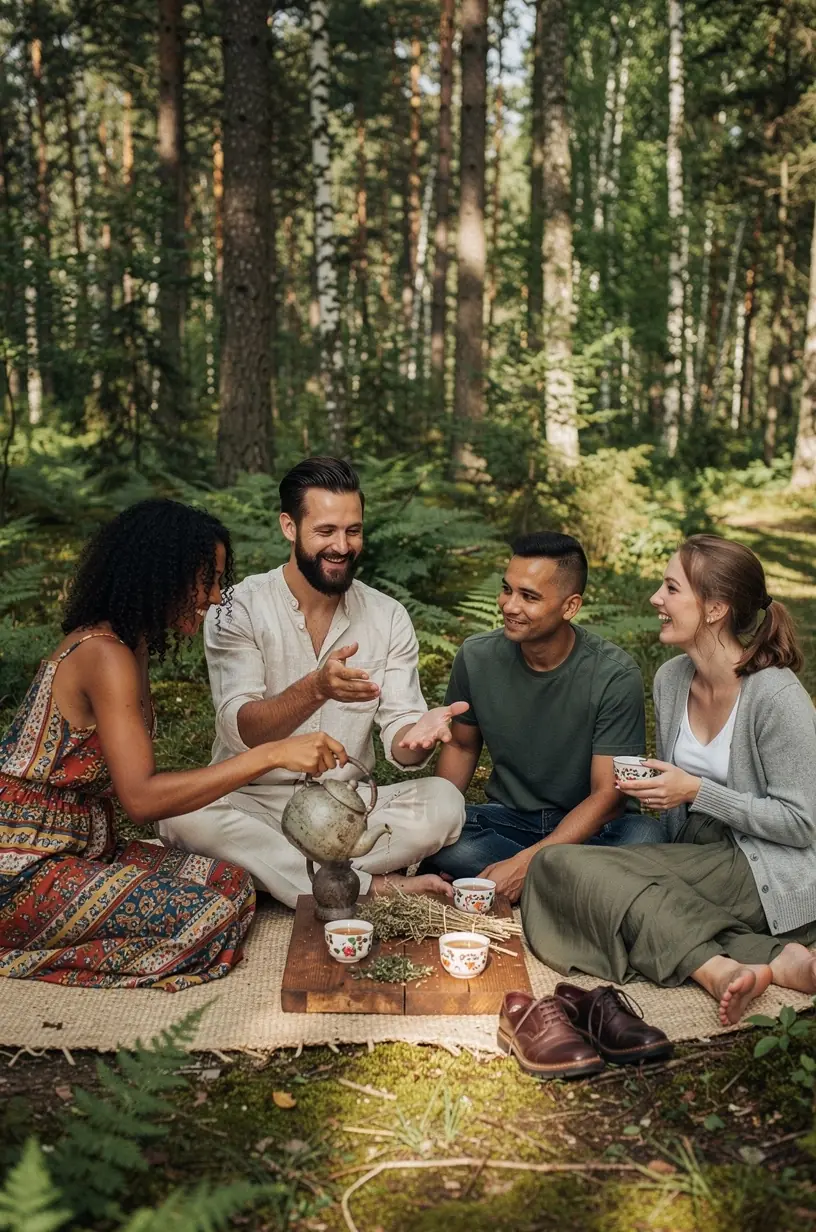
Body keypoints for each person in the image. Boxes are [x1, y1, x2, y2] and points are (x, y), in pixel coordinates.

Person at [0, 499, 346, 992]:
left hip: (85, 854)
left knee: (234, 886)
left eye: (221, 579)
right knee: (204, 917)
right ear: (158, 573)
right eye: (206, 578)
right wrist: (268, 755)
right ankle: (22, 951)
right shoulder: (103, 653)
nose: (215, 595)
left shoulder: (131, 648)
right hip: (22, 868)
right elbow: (141, 800)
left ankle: (67, 933)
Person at [522, 534, 816, 1026]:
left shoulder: (775, 695)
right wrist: (659, 792)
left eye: (671, 588)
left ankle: (714, 967)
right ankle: (776, 958)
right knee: (556, 868)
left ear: (716, 608)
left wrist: (698, 792)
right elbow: (679, 806)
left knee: (592, 881)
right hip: (697, 851)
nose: (656, 599)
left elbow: (803, 825)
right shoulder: (672, 678)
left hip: (769, 864)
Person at [159, 458, 466, 907]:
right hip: (255, 803)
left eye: (353, 531)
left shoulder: (388, 616)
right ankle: (368, 886)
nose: (342, 546)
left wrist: (415, 739)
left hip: (348, 809)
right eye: (325, 532)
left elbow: (400, 733)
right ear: (290, 526)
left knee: (444, 802)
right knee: (182, 814)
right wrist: (316, 688)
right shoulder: (237, 608)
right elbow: (241, 729)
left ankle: (290, 874)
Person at [421, 532, 662, 902]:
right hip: (509, 818)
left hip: (593, 829)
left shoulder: (614, 675)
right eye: (507, 590)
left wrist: (529, 862)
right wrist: (434, 823)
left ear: (570, 606)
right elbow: (463, 748)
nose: (509, 606)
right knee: (447, 843)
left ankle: (520, 879)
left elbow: (608, 796)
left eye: (529, 597)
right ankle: (574, 888)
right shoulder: (475, 658)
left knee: (646, 839)